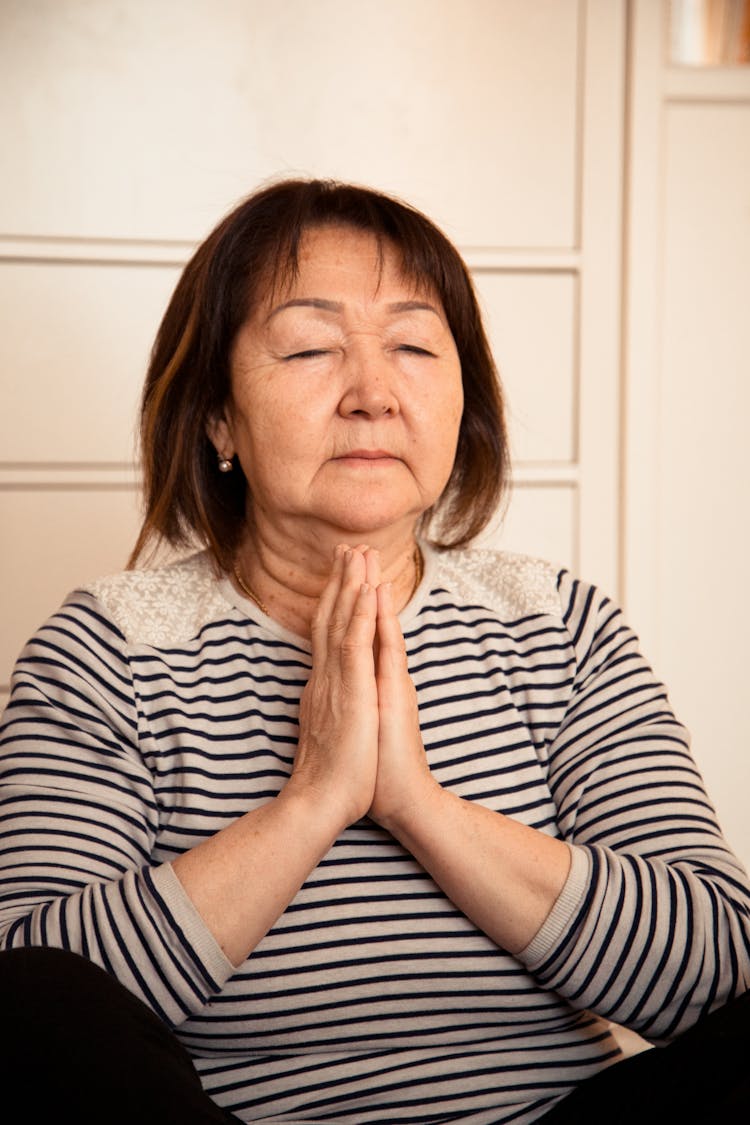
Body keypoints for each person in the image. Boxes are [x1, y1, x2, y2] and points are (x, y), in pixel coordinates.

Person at [1, 178, 749, 1125]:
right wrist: (313, 801)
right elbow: (37, 996)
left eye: (413, 346)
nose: (373, 394)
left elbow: (721, 968)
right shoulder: (107, 646)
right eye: (311, 348)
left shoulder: (559, 624)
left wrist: (420, 806)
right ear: (218, 418)